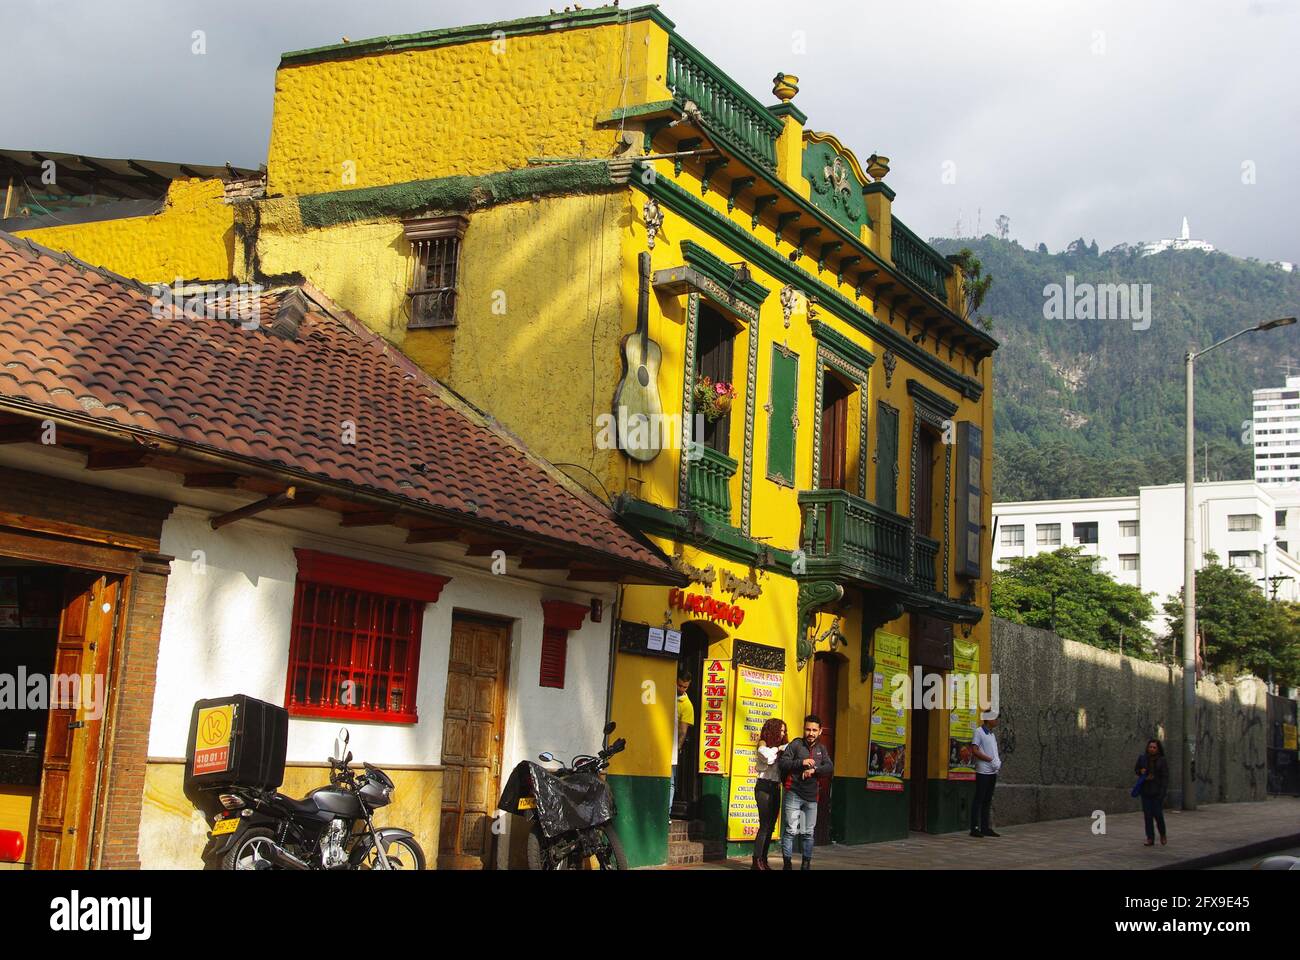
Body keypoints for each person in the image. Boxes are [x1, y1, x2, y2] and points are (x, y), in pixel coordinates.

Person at [777, 714, 833, 870]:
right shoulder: (796, 744)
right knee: (790, 831)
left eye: (814, 730)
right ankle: (787, 865)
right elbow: (783, 763)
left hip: (811, 797)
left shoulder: (822, 749)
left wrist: (814, 770)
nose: (811, 733)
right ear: (804, 729)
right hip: (793, 793)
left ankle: (806, 865)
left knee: (808, 833)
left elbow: (829, 767)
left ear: (820, 731)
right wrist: (802, 762)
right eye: (808, 729)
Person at [752, 717, 788, 871]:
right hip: (763, 787)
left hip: (776, 787)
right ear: (772, 730)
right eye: (780, 730)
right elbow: (767, 758)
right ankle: (756, 860)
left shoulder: (782, 747)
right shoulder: (763, 744)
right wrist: (779, 749)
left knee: (771, 826)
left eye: (784, 731)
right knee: (764, 825)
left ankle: (764, 860)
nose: (782, 733)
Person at [969, 711, 1002, 838]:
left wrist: (996, 761)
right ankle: (974, 828)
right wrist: (989, 759)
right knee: (979, 799)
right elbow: (974, 750)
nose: (997, 720)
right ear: (988, 719)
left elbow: (993, 751)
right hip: (983, 771)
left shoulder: (992, 735)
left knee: (987, 800)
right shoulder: (979, 732)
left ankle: (985, 827)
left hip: (992, 771)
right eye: (995, 718)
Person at [668, 669, 694, 819]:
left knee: (671, 781)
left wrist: (677, 748)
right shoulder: (666, 692)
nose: (681, 689)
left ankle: (667, 813)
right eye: (679, 685)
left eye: (685, 687)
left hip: (672, 747)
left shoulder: (687, 705)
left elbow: (683, 731)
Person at [1135, 738, 1169, 846]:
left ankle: (1162, 834)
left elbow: (1165, 778)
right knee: (1148, 816)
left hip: (1157, 792)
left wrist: (1162, 793)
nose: (1152, 749)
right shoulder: (1142, 758)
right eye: (1150, 747)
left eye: (1154, 747)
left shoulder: (1162, 760)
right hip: (1146, 791)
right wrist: (1140, 771)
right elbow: (1136, 769)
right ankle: (1150, 838)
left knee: (1158, 815)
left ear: (1158, 749)